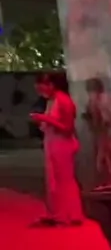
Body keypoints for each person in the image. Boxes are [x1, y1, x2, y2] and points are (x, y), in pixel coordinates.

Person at [30, 72, 85, 226]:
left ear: (52, 85)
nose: (41, 92)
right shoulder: (52, 100)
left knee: (64, 179)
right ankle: (59, 213)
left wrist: (46, 119)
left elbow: (67, 128)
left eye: (42, 88)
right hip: (53, 142)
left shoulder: (64, 101)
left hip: (62, 144)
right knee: (54, 179)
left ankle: (70, 214)